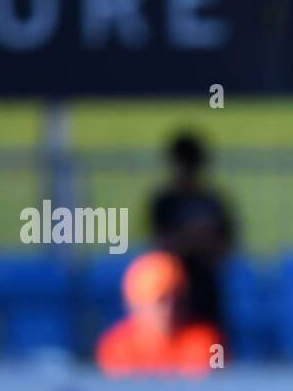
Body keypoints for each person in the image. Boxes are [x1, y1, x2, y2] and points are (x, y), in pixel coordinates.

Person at [149, 133, 235, 332]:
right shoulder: (165, 203)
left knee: (208, 349)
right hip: (171, 290)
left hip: (207, 292)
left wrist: (187, 240)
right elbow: (160, 244)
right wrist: (197, 238)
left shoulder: (212, 201)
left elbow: (223, 246)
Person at [95, 251, 225, 376]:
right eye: (161, 300)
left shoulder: (206, 342)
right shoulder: (116, 346)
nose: (171, 308)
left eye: (177, 299)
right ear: (136, 304)